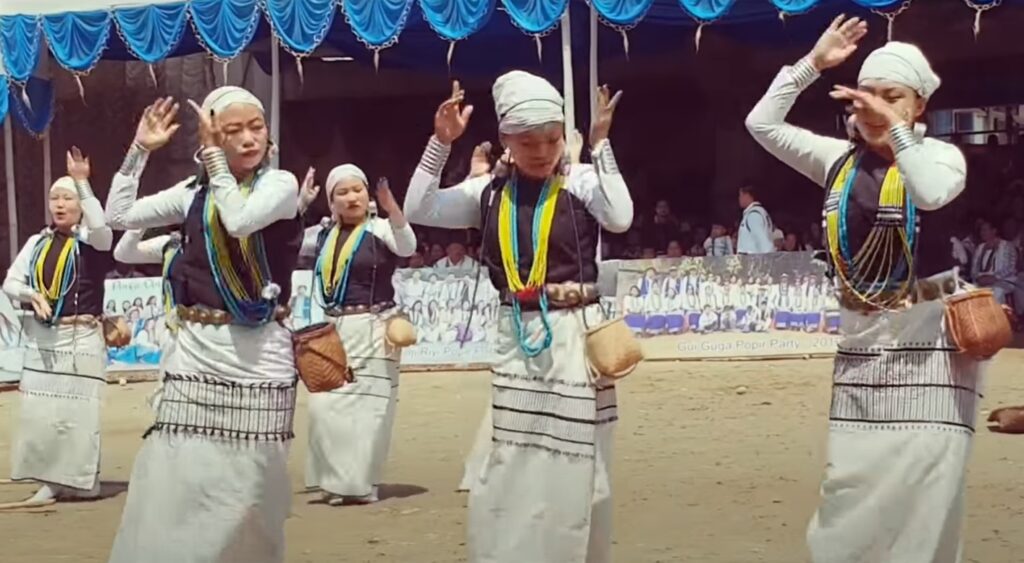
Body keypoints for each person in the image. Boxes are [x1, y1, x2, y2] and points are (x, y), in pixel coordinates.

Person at [746, 16, 985, 563]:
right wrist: (813, 62)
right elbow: (761, 124)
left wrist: (895, 133)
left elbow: (927, 192)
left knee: (926, 487)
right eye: (864, 96)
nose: (873, 107)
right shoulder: (836, 160)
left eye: (891, 97)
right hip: (861, 339)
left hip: (930, 344)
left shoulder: (942, 157)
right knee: (848, 487)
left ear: (918, 105)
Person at [404, 74, 631, 562]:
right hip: (516, 334)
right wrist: (439, 145)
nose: (543, 150)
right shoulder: (486, 192)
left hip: (575, 331)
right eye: (528, 141)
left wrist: (601, 145)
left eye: (551, 138)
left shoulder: (581, 181)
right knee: (516, 457)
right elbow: (417, 207)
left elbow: (621, 217)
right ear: (505, 138)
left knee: (575, 461)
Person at [105, 90, 301, 562]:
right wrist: (140, 151)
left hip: (259, 355)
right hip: (197, 351)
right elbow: (117, 216)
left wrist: (214, 158)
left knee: (253, 485)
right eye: (232, 131)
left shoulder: (282, 186)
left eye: (255, 126)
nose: (249, 138)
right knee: (183, 474)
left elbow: (239, 220)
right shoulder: (193, 193)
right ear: (212, 137)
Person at [0, 148, 113, 509]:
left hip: (80, 337)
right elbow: (10, 282)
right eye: (55, 198)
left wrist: (82, 181)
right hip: (43, 337)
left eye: (67, 198)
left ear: (80, 203)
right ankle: (50, 480)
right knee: (42, 413)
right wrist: (31, 293)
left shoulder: (94, 242)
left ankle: (81, 481)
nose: (59, 204)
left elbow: (101, 225)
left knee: (78, 415)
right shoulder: (37, 242)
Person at [300, 167, 416, 505]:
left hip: (375, 326)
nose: (352, 197)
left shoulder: (381, 229)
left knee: (371, 411)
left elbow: (407, 245)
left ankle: (358, 485)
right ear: (332, 201)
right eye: (343, 192)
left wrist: (393, 208)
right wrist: (300, 204)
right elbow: (284, 237)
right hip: (333, 329)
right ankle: (333, 478)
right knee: (325, 406)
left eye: (358, 190)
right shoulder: (321, 235)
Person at [970, 218, 1017, 305]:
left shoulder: (1007, 246)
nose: (982, 233)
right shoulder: (980, 248)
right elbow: (973, 269)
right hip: (982, 282)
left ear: (994, 231)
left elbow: (1010, 267)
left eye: (985, 230)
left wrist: (994, 278)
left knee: (996, 291)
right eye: (981, 230)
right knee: (970, 294)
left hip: (1003, 281)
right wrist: (977, 278)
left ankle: (997, 317)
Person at [737, 186, 775, 254]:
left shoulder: (753, 215)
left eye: (740, 195)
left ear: (747, 195)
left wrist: (767, 262)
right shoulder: (760, 212)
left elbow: (764, 243)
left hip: (753, 261)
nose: (739, 198)